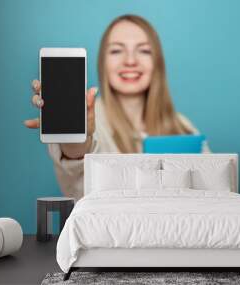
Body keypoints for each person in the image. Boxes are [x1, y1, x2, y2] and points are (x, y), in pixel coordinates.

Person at [24, 14, 210, 201]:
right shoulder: (86, 117)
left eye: (144, 51)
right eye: (116, 51)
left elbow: (211, 191)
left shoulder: (181, 125)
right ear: (103, 62)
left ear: (157, 62)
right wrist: (74, 131)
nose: (130, 61)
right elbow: (77, 157)